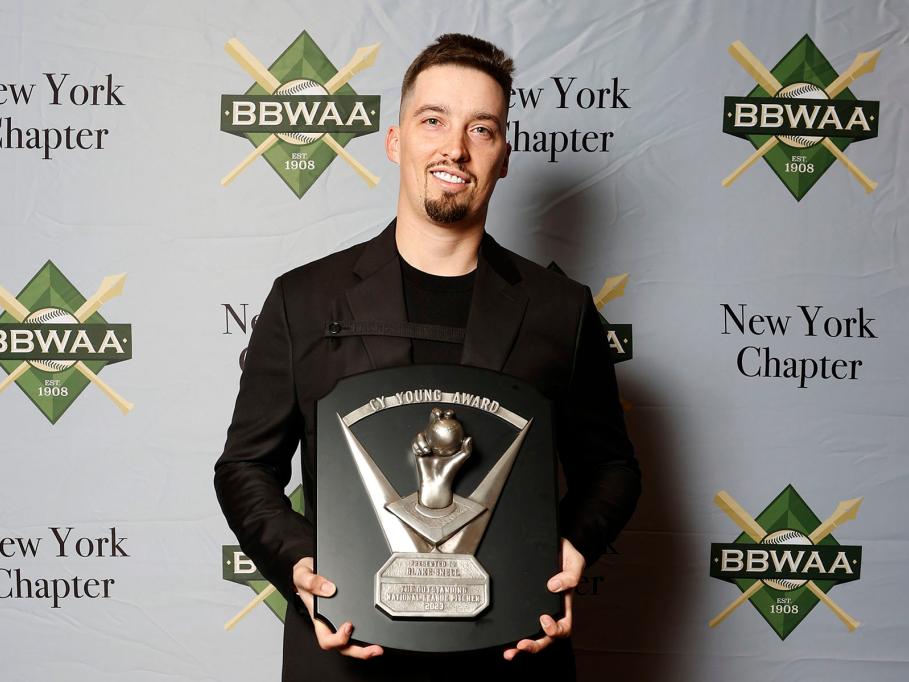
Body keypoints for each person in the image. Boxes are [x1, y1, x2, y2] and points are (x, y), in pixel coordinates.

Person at [215, 33, 640, 682]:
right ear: (396, 141)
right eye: (433, 120)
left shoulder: (562, 310)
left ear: (503, 158)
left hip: (508, 654)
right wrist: (303, 564)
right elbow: (246, 466)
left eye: (483, 130)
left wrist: (567, 551)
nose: (456, 148)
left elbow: (611, 466)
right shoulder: (303, 299)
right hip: (347, 650)